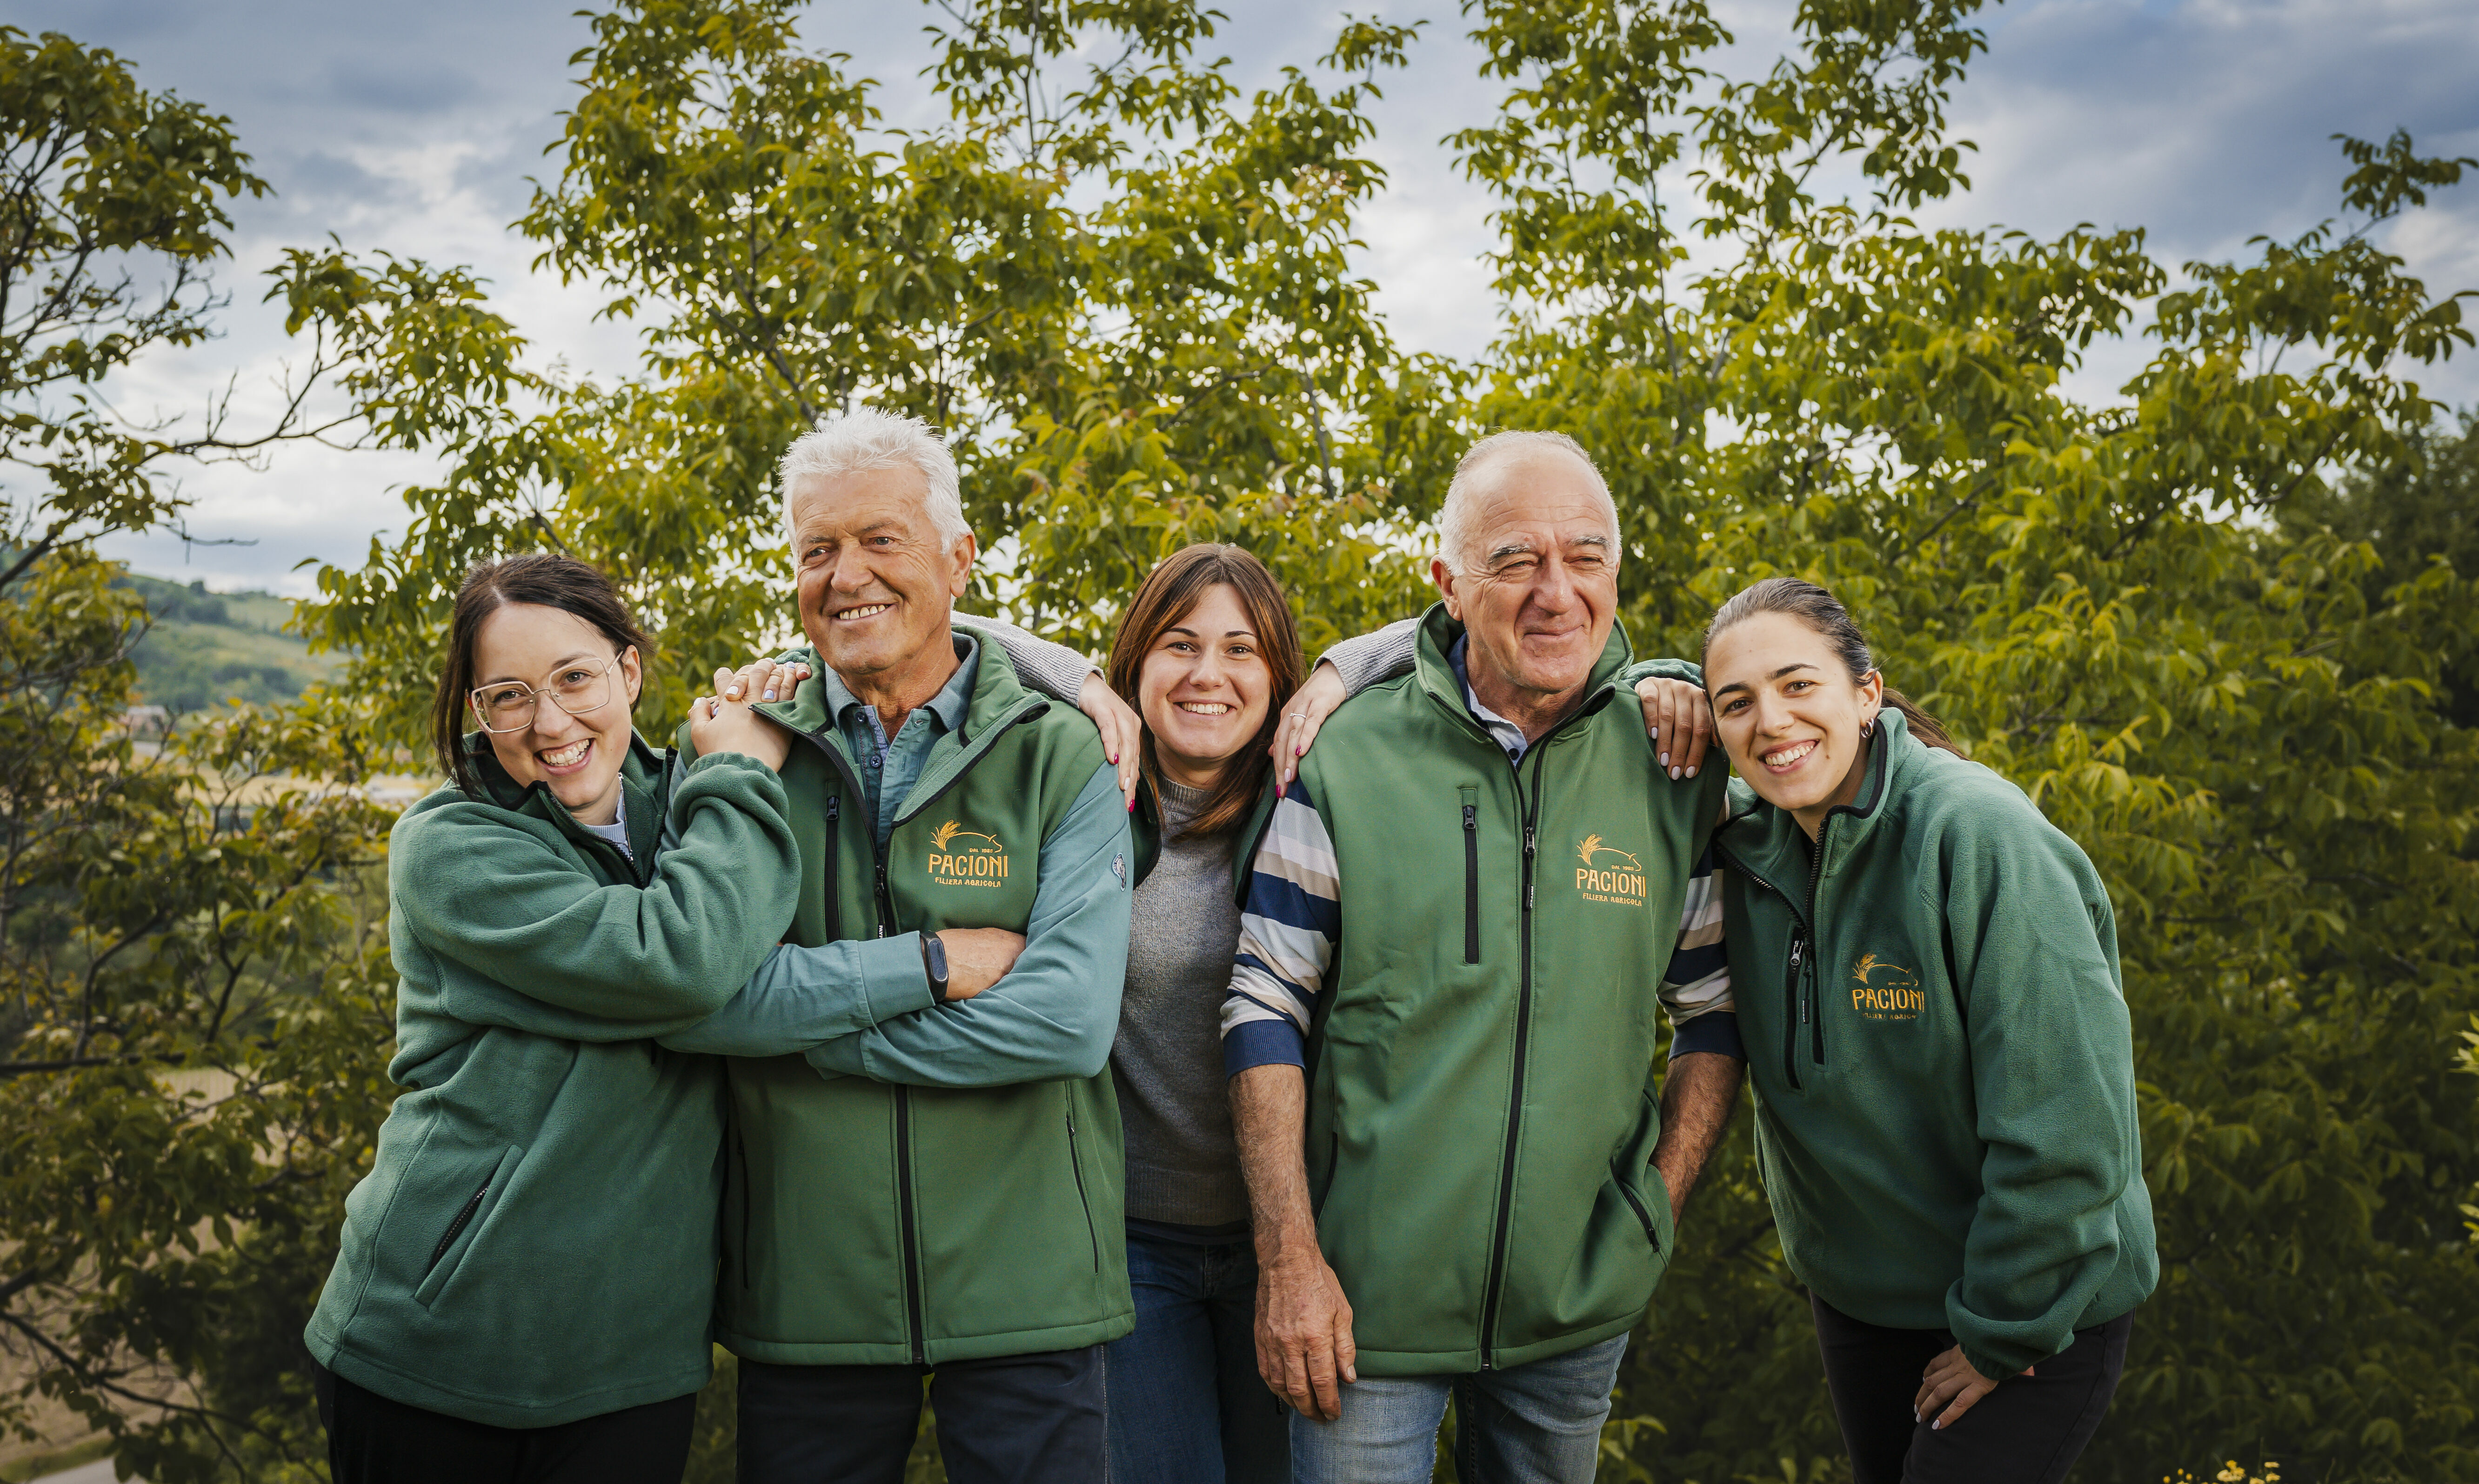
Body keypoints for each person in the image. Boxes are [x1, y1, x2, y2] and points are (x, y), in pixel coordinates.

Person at [305, 553, 912, 1484]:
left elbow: (888, 640)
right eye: (506, 695)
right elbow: (682, 961)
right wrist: (746, 775)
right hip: (438, 1348)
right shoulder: (453, 847)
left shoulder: (687, 797)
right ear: (475, 711)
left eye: (576, 677)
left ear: (629, 671)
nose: (549, 724)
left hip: (633, 1360)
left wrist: (1073, 676)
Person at [1221, 430, 1742, 1484]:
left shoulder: (1673, 767)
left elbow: (1714, 1012)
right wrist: (1289, 1259)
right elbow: (1261, 1001)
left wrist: (1652, 1213)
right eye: (1515, 561)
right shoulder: (1346, 757)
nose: (1557, 591)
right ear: (1448, 585)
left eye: (1584, 556)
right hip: (1356, 1316)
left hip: (1575, 1311)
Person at [679, 408, 1136, 1484]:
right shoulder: (741, 749)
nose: (846, 576)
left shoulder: (1058, 753)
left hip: (1034, 1283)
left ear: (959, 560)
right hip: (809, 1287)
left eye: (882, 540)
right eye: (817, 550)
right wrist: (929, 967)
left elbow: (1067, 1023)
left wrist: (803, 1033)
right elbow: (696, 995)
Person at [1692, 575, 2155, 1484]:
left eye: (1798, 685)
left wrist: (2000, 1329)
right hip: (1865, 1300)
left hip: (2037, 1296)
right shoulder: (1741, 847)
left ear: (1866, 693)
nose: (1771, 722)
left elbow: (2069, 1124)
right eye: (1734, 703)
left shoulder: (1978, 837)